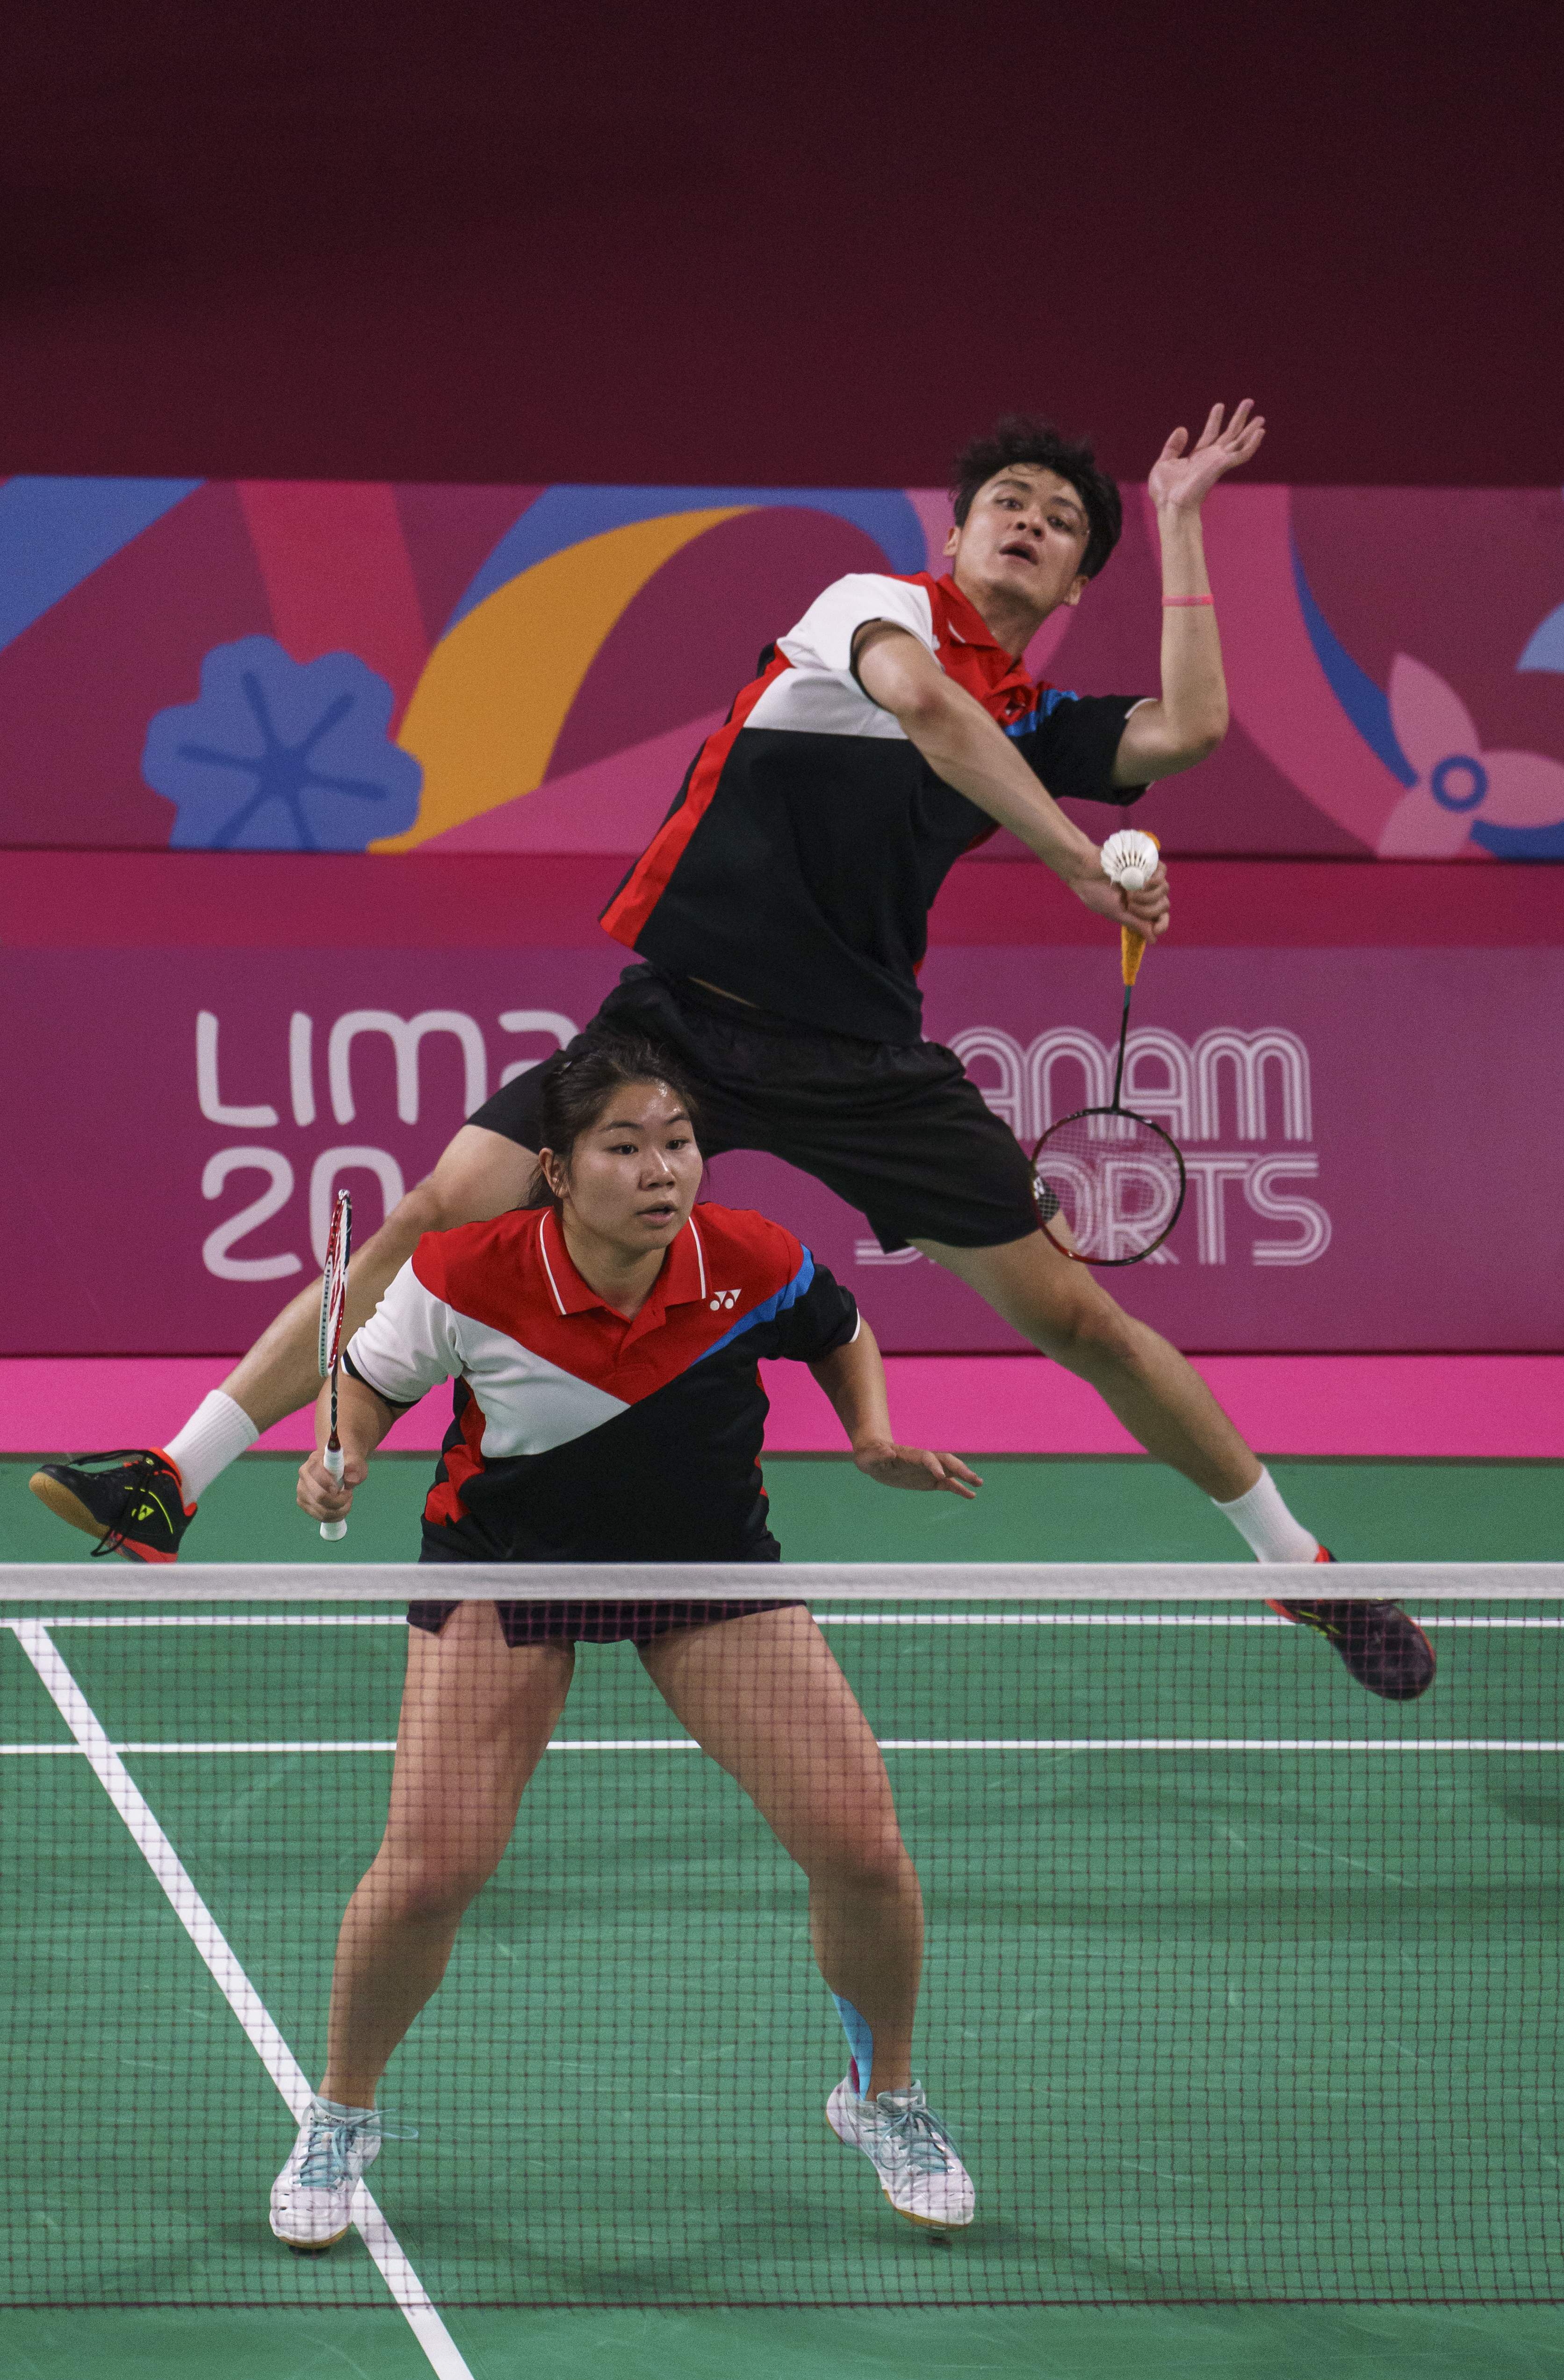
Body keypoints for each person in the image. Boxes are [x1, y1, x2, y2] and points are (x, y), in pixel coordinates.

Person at [31, 403, 1434, 1703]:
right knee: (433, 1212)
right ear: (951, 532)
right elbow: (931, 716)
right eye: (1004, 501)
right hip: (678, 1023)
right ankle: (174, 1473)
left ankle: (1292, 1567)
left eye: (1060, 521)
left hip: (864, 1053)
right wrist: (1074, 858)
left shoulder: (1032, 711)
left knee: (1077, 1321)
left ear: (1075, 584)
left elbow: (1185, 729)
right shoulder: (871, 609)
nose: (1026, 521)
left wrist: (1180, 519)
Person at [270, 1040, 978, 2249]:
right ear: (553, 1168)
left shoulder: (745, 1255)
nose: (662, 1170)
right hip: (507, 1569)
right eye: (625, 1146)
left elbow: (841, 1325)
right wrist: (336, 1456)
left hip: (702, 1572)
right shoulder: (466, 1272)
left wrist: (868, 1431)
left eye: (677, 1141)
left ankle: (883, 2098)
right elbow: (370, 1384)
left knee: (860, 1842)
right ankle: (340, 2112)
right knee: (431, 1868)